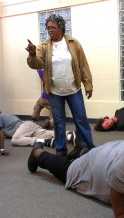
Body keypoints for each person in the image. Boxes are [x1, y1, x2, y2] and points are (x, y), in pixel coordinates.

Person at [26, 14, 94, 156]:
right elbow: (36, 64)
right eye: (48, 28)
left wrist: (88, 84)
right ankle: (61, 151)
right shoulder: (43, 47)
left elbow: (83, 65)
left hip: (73, 89)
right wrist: (32, 54)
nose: (49, 30)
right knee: (58, 122)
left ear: (61, 27)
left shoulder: (73, 43)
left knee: (81, 119)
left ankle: (88, 149)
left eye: (53, 27)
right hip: (55, 91)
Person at [0, 109, 76, 147]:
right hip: (28, 125)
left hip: (22, 127)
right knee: (45, 133)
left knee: (15, 140)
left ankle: (44, 142)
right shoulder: (7, 116)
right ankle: (69, 135)